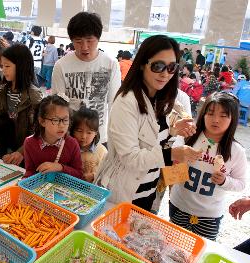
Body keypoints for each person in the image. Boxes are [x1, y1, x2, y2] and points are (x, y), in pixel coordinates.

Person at [94, 35, 199, 210]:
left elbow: (153, 143)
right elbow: (131, 158)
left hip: (148, 190)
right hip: (124, 193)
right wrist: (173, 154)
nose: (165, 73)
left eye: (172, 67)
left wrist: (172, 132)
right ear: (143, 64)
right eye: (158, 66)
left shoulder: (159, 98)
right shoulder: (126, 102)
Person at [170, 92, 247, 241]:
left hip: (209, 216)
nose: (216, 120)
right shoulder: (188, 136)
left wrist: (225, 181)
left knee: (200, 255)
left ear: (233, 119)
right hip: (178, 205)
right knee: (172, 246)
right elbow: (172, 167)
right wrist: (178, 162)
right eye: (210, 113)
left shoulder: (236, 151)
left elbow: (241, 183)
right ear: (203, 114)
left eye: (224, 115)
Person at [52, 12, 121, 145]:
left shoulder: (111, 64)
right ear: (72, 40)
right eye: (78, 41)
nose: (84, 47)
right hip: (70, 136)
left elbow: (114, 104)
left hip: (99, 137)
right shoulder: (61, 65)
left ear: (98, 37)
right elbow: (58, 105)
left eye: (90, 41)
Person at [24, 95, 83, 178]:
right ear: (42, 121)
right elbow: (30, 171)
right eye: (55, 120)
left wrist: (60, 167)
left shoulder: (72, 144)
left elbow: (79, 174)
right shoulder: (30, 143)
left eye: (65, 120)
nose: (62, 125)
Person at [71, 107, 107, 183]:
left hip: (94, 191)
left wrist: (94, 175)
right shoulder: (69, 149)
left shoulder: (102, 152)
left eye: (89, 132)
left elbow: (107, 174)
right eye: (79, 131)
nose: (83, 136)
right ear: (72, 131)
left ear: (96, 133)